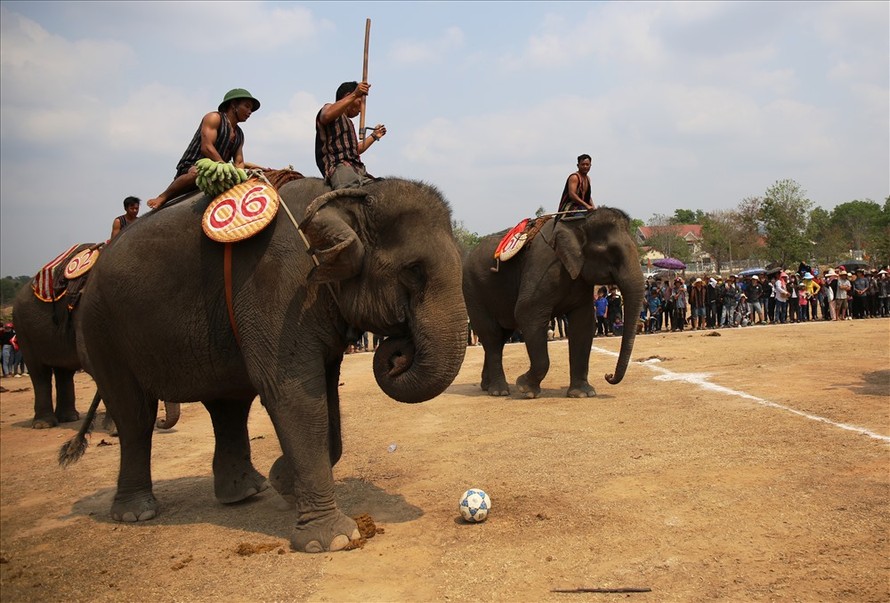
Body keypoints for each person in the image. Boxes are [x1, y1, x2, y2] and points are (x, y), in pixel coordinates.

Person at [148, 88, 263, 209]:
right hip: (194, 165)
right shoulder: (214, 118)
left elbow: (239, 161)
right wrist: (224, 167)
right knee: (196, 173)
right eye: (247, 106)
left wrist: (238, 177)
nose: (250, 112)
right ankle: (163, 196)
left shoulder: (240, 134)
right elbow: (206, 147)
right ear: (234, 104)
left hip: (219, 171)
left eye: (251, 109)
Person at [315, 81, 387, 190]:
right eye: (360, 102)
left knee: (379, 190)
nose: (361, 109)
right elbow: (326, 115)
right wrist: (355, 94)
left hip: (358, 169)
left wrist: (374, 136)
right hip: (340, 167)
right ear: (348, 96)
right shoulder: (329, 108)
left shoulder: (348, 122)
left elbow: (354, 150)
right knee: (349, 198)